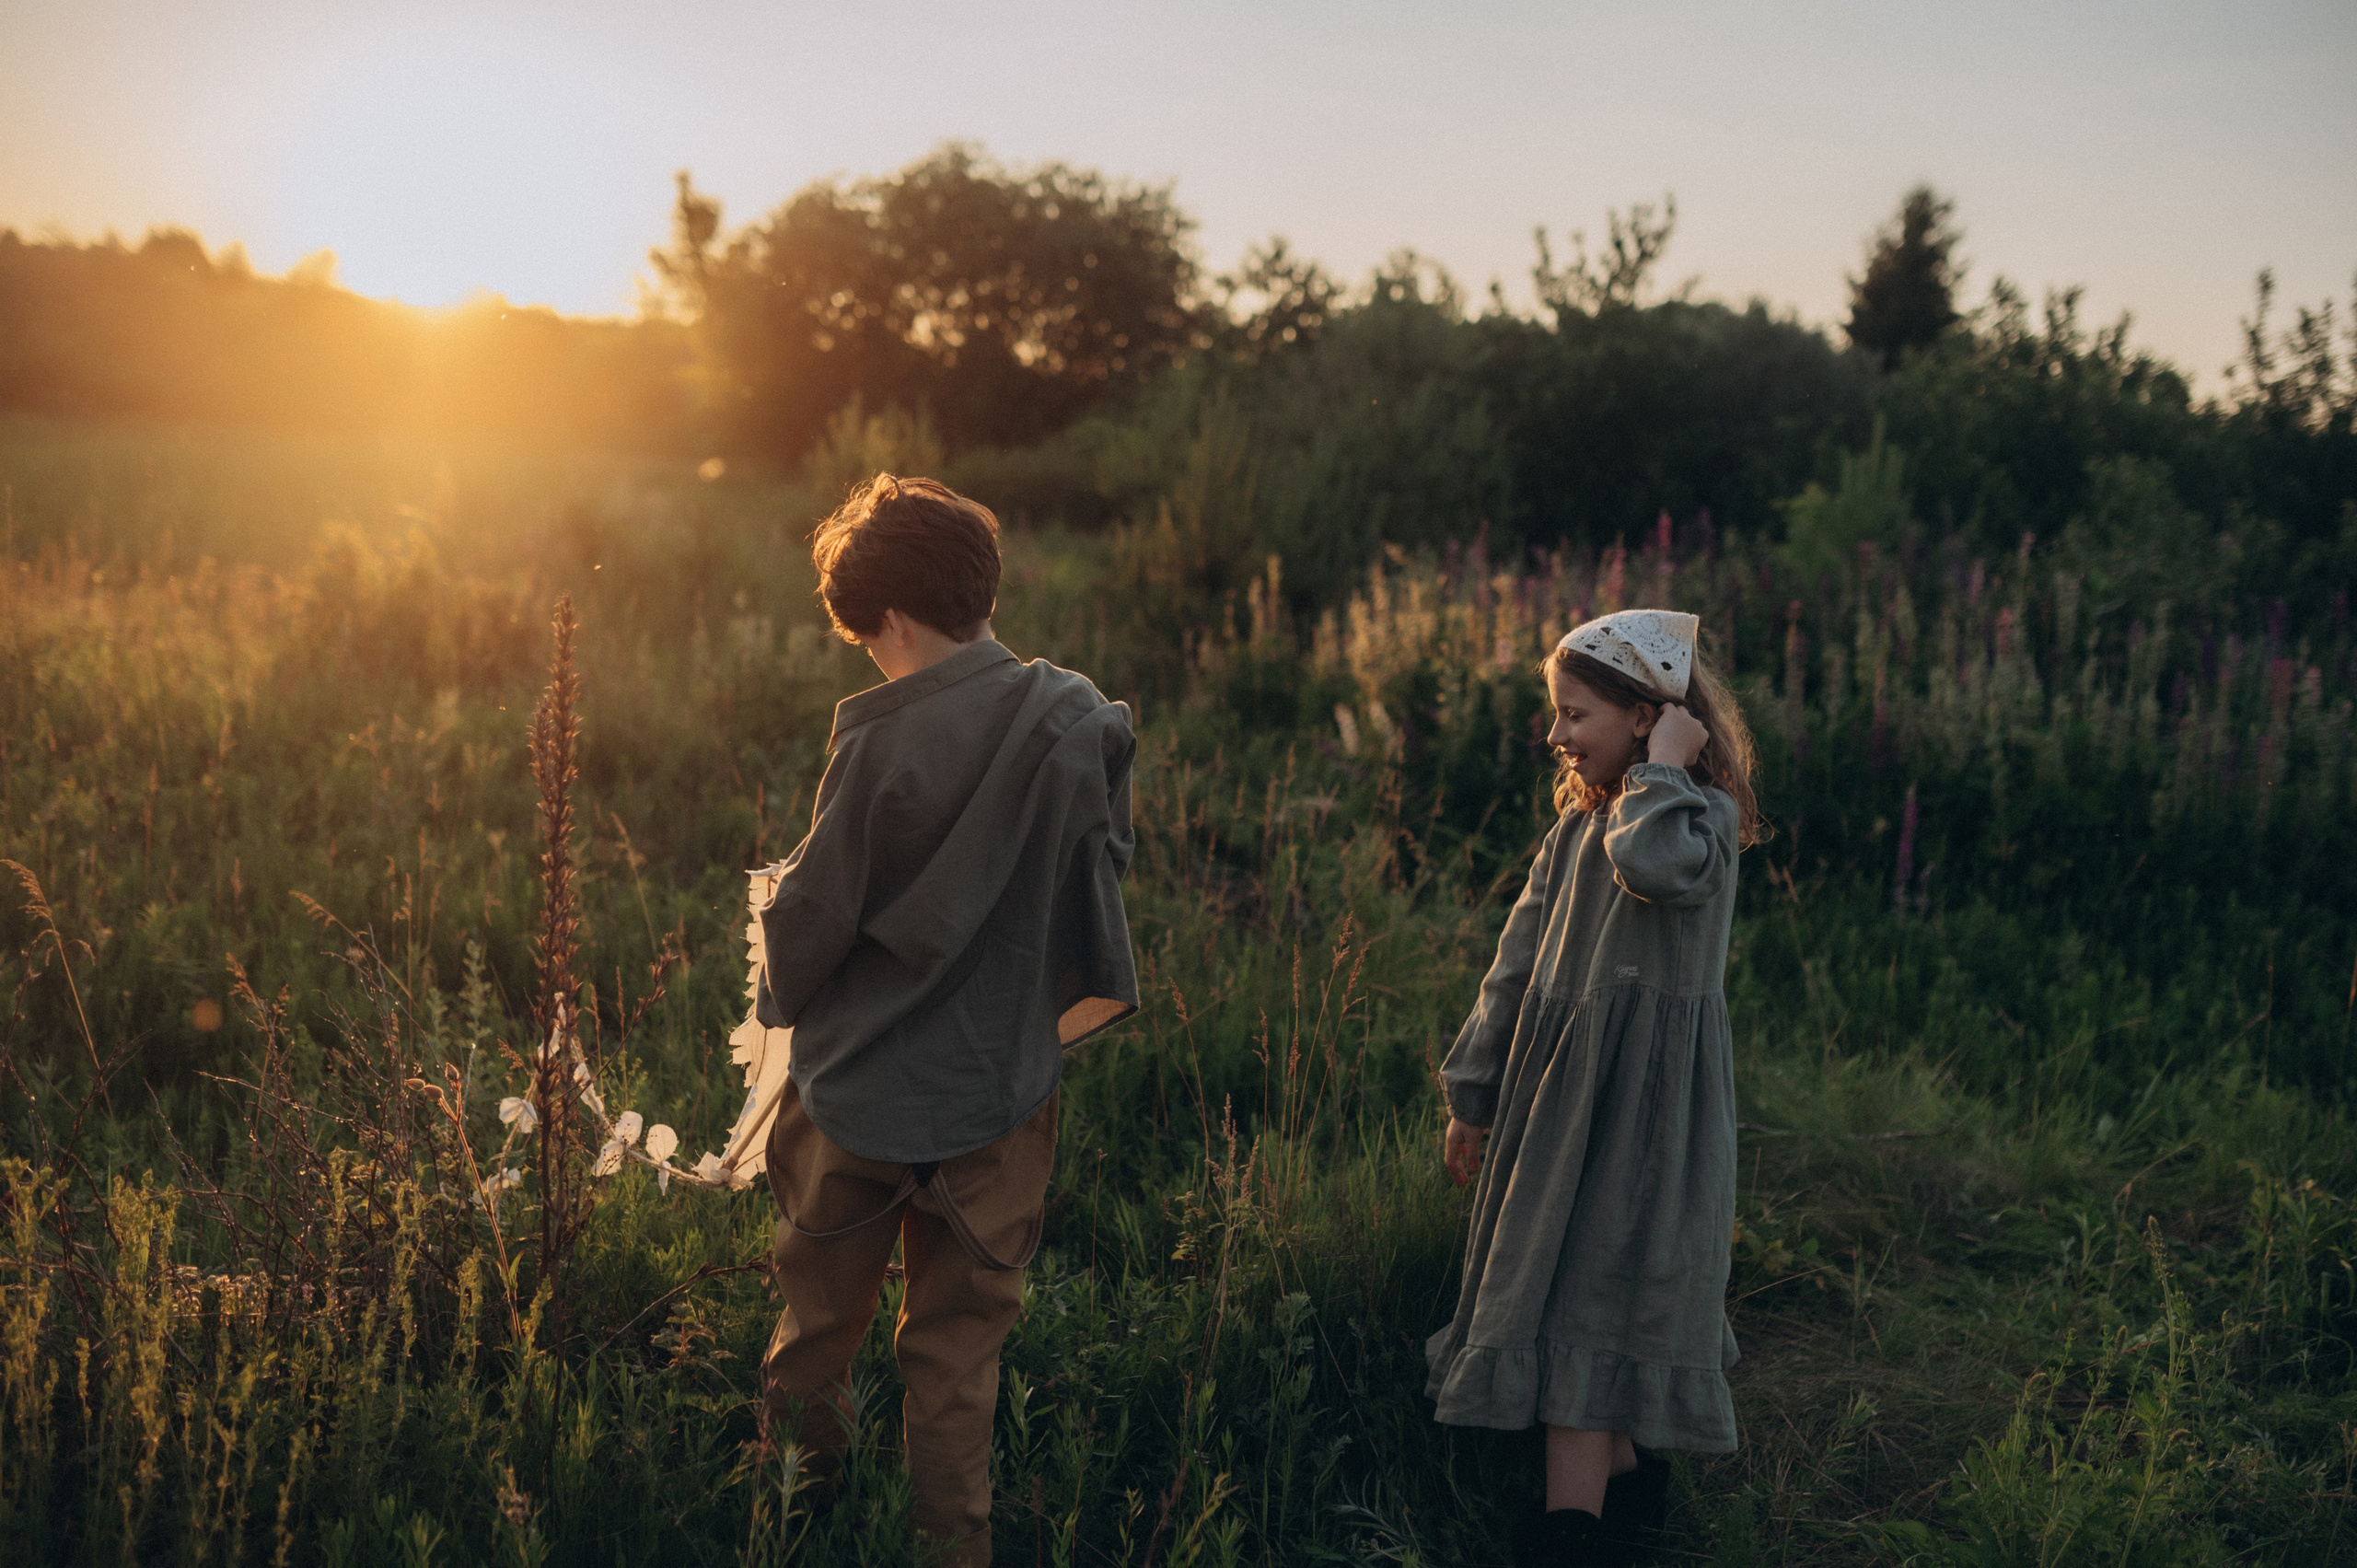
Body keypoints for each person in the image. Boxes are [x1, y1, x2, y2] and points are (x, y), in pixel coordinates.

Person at [753, 473, 1139, 1568]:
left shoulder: (880, 737)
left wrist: (774, 953)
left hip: (859, 1098)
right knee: (959, 1356)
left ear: (888, 620)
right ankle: (949, 1547)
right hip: (999, 1098)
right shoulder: (1079, 719)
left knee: (816, 1332)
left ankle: (786, 1521)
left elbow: (818, 913)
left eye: (864, 639)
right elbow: (1092, 884)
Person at [1425, 609, 1766, 1567]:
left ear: (1648, 715)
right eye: (1557, 714)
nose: (1557, 734)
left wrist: (1664, 767)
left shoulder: (1693, 818)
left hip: (1642, 1115)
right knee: (1565, 1279)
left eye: (1575, 712)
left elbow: (1651, 866)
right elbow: (1515, 963)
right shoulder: (1578, 822)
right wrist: (1471, 1089)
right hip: (1557, 1103)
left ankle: (1568, 1534)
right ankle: (1624, 1488)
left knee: (1594, 1297)